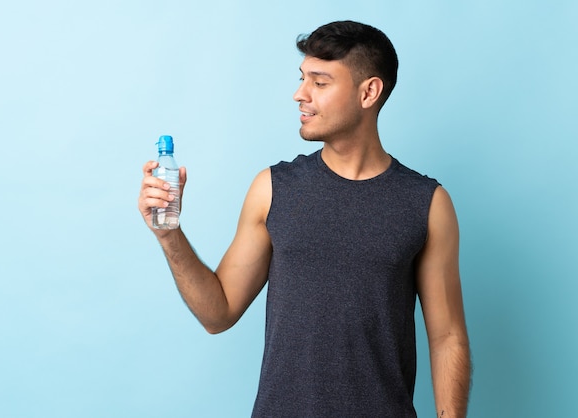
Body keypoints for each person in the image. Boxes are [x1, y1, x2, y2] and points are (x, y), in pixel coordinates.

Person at [138, 20, 471, 418]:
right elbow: (218, 312)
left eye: (320, 82)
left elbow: (448, 336)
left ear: (369, 92)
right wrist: (169, 236)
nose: (300, 95)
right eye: (302, 79)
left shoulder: (427, 203)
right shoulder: (273, 189)